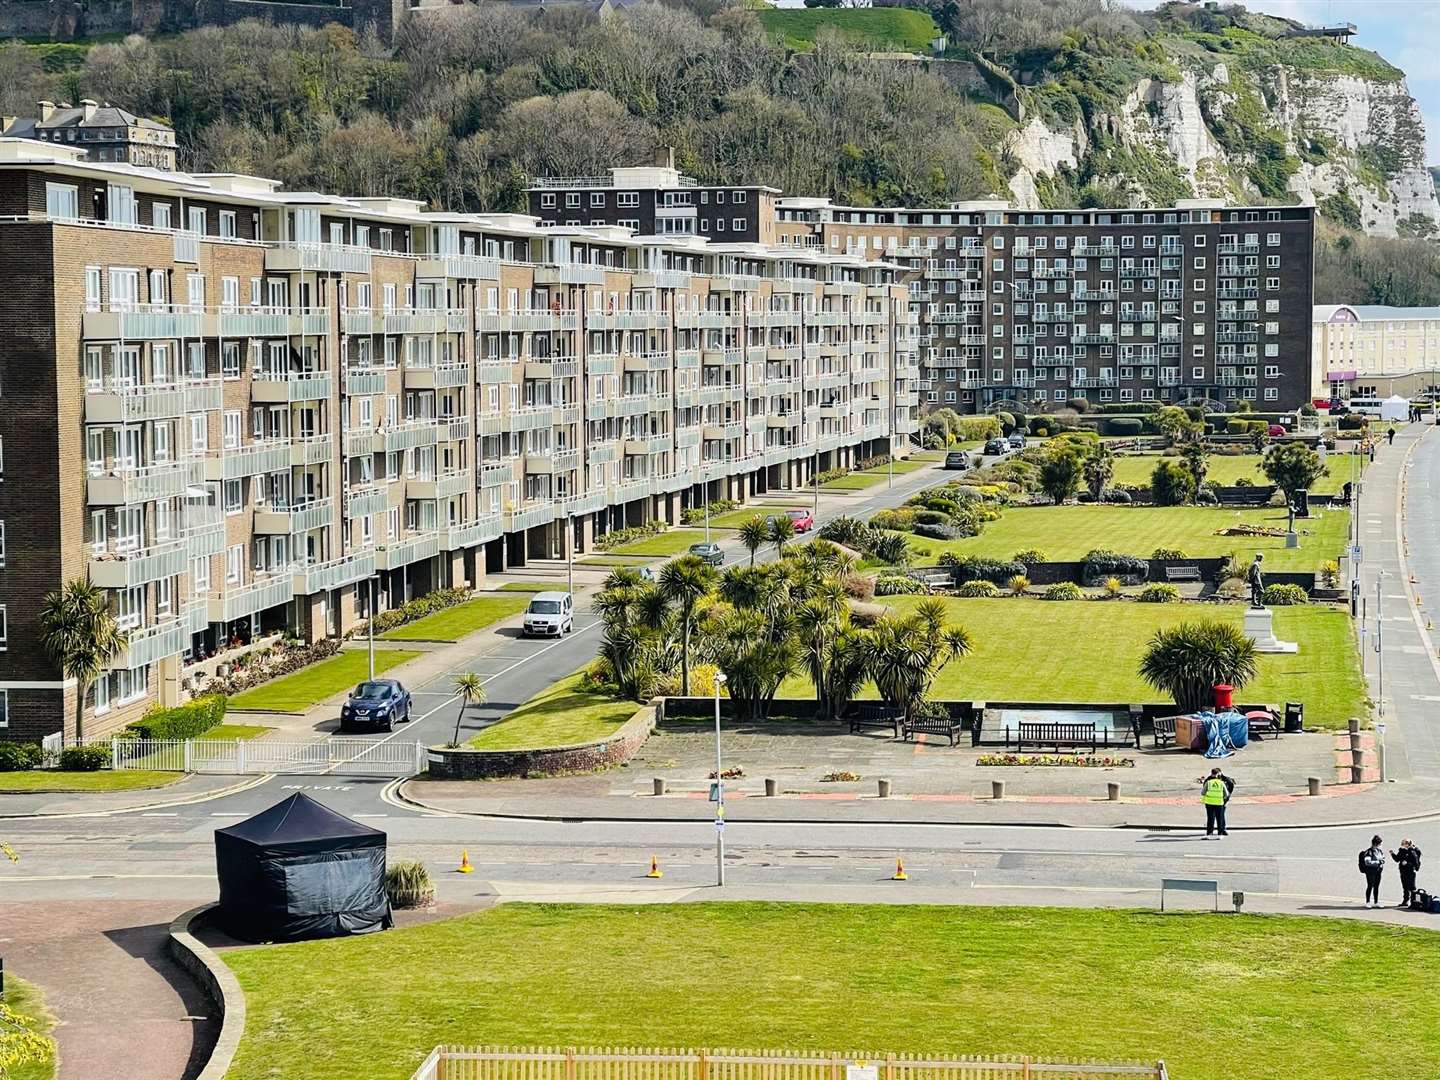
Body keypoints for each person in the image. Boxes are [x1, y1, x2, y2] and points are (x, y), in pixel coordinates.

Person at [1199, 767, 1233, 836]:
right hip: (1212, 801)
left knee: (1220, 816)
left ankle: (1222, 830)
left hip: (1221, 801)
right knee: (1213, 817)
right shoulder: (1209, 780)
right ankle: (1213, 831)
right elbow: (1204, 788)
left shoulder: (1226, 779)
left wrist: (1226, 798)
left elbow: (1230, 787)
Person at [1392, 839, 1422, 908]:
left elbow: (1416, 863)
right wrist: (1392, 854)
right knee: (1405, 887)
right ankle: (1405, 901)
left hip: (1410, 872)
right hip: (1403, 871)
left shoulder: (1412, 851)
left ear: (1408, 844)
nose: (1402, 845)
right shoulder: (1402, 851)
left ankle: (1413, 902)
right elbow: (1397, 859)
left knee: (1412, 887)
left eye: (1404, 844)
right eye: (1402, 843)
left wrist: (1407, 864)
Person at [1359, 835, 1386, 908]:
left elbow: (1383, 858)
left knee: (1376, 886)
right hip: (1370, 871)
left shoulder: (1379, 851)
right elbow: (1367, 862)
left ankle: (1376, 902)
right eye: (1380, 844)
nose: (1381, 845)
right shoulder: (1369, 852)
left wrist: (1382, 861)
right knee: (1370, 886)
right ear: (1376, 844)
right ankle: (1368, 902)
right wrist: (1378, 862)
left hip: (1378, 871)